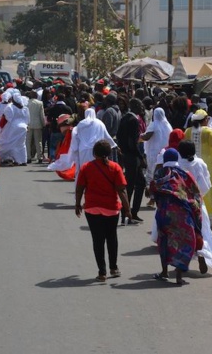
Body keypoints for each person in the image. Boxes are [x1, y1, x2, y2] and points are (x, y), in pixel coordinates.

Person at [75, 140, 132, 282]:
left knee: (97, 240)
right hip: (111, 209)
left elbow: (80, 187)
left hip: (92, 208)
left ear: (94, 153)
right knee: (111, 238)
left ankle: (102, 272)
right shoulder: (115, 167)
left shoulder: (86, 168)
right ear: (108, 153)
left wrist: (77, 204)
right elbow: (122, 190)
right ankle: (114, 268)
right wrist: (127, 209)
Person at [150, 149, 203, 286]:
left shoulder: (159, 173)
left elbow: (153, 192)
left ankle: (164, 272)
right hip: (182, 215)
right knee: (183, 242)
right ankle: (179, 277)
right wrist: (197, 217)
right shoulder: (185, 174)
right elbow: (197, 195)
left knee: (163, 241)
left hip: (163, 214)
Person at [177, 140, 212, 273]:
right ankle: (203, 253)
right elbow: (206, 185)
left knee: (183, 233)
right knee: (202, 231)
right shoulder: (200, 163)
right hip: (197, 204)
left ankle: (182, 261)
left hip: (181, 203)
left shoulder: (177, 165)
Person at [117, 93, 146, 225]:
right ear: (134, 106)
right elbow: (132, 142)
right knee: (131, 185)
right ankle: (127, 213)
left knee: (139, 183)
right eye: (140, 105)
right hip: (133, 156)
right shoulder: (133, 120)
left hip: (127, 155)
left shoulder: (124, 118)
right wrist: (140, 157)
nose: (142, 108)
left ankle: (131, 212)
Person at [69, 108, 117, 180]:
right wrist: (114, 145)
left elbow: (76, 137)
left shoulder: (81, 124)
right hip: (97, 150)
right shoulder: (100, 123)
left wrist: (74, 150)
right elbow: (106, 136)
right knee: (96, 168)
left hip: (83, 150)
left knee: (84, 168)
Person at [141, 107, 172, 207]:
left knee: (153, 176)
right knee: (164, 176)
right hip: (165, 153)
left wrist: (139, 136)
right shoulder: (168, 125)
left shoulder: (154, 125)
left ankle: (152, 199)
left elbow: (147, 137)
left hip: (154, 154)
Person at [0, 91, 30, 166]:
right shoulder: (25, 108)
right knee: (21, 145)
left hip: (13, 127)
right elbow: (28, 119)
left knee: (5, 142)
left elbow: (8, 118)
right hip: (23, 128)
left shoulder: (10, 107)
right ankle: (22, 160)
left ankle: (2, 157)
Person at [26, 90, 45, 164]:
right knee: (38, 141)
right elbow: (42, 115)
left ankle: (28, 157)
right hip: (37, 124)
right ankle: (39, 157)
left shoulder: (26, 103)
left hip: (28, 124)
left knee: (28, 141)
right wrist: (43, 124)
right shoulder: (40, 103)